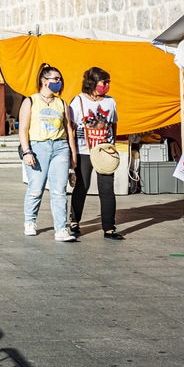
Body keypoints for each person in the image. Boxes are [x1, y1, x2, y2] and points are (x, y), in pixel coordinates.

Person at [18, 63, 77, 242]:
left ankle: (61, 229)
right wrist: (27, 151)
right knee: (36, 188)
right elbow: (23, 128)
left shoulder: (62, 103)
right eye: (56, 79)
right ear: (44, 81)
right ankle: (30, 221)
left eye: (60, 80)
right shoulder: (30, 101)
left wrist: (73, 156)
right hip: (38, 147)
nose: (59, 82)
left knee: (59, 190)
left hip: (60, 148)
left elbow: (69, 130)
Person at [69, 67, 124, 240]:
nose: (107, 85)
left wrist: (111, 143)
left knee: (107, 189)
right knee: (82, 187)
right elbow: (70, 126)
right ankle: (74, 221)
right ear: (93, 82)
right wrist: (72, 153)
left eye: (108, 82)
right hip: (83, 151)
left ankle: (109, 228)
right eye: (104, 82)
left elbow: (113, 123)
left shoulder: (110, 102)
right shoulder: (77, 101)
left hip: (104, 152)